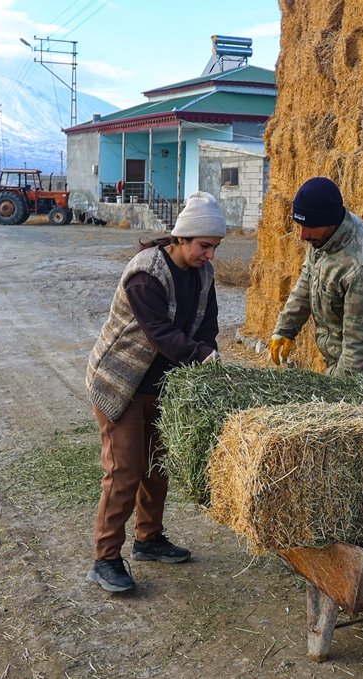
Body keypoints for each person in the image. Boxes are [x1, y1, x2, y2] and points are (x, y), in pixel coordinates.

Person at [84, 191, 225, 593]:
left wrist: (209, 350)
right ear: (181, 238)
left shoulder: (203, 274)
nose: (210, 255)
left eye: (215, 247)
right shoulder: (146, 273)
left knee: (157, 465)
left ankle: (148, 539)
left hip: (162, 385)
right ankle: (106, 558)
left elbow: (207, 322)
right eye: (204, 246)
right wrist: (201, 355)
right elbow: (160, 334)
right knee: (124, 469)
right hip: (121, 384)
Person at [269, 177, 363, 375]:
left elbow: (356, 341)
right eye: (299, 225)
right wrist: (286, 327)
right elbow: (307, 280)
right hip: (339, 352)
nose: (302, 235)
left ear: (329, 221)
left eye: (309, 227)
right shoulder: (323, 239)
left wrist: (341, 392)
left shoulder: (362, 267)